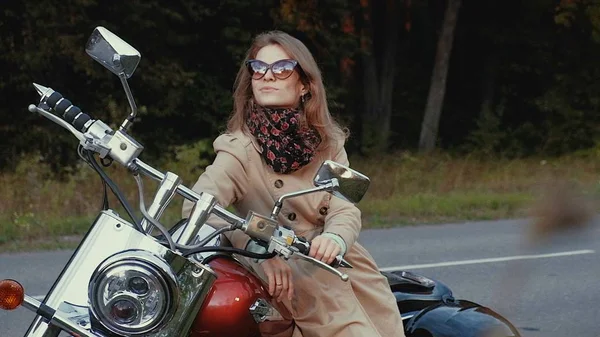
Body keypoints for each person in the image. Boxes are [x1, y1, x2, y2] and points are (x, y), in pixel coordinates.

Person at [182, 30, 405, 337]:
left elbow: (345, 208)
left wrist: (336, 239)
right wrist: (256, 247)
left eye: (281, 68)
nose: (267, 76)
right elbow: (199, 206)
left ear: (303, 84)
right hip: (282, 275)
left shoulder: (329, 144)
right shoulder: (239, 148)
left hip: (340, 267)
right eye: (258, 69)